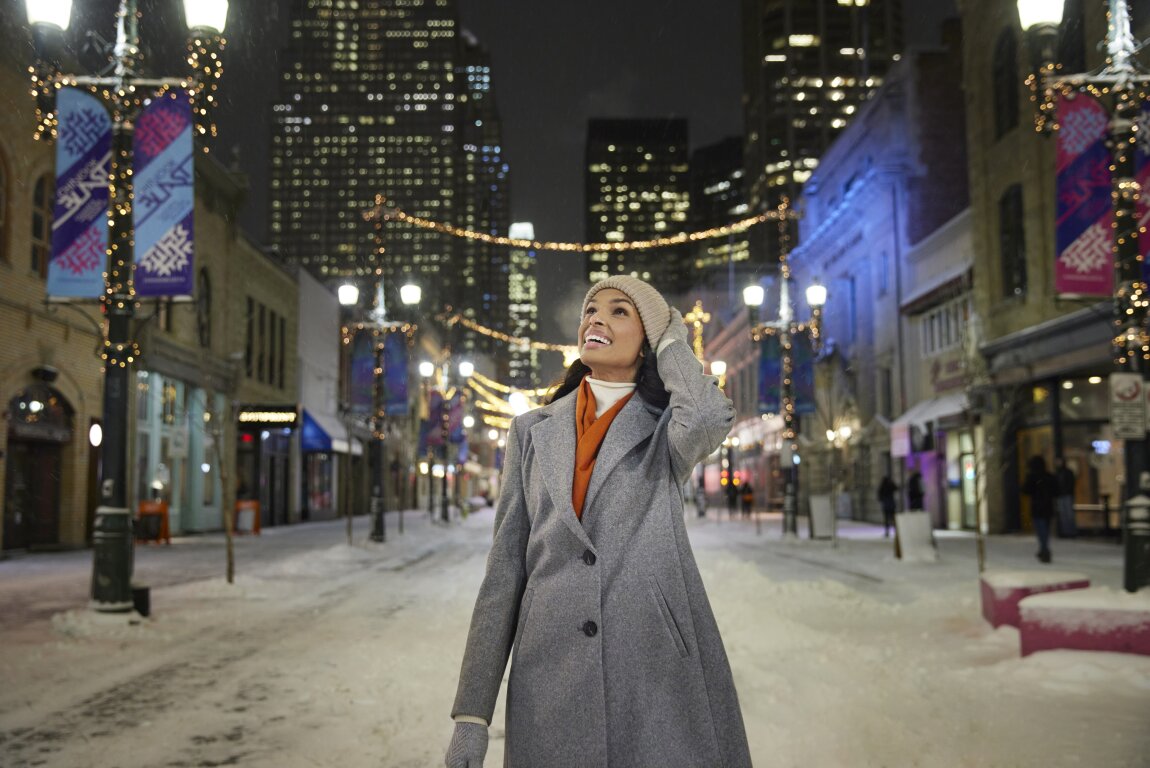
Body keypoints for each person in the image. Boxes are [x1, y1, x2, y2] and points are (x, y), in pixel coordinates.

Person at [445, 276, 751, 768]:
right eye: (590, 310)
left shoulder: (666, 425)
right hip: (549, 669)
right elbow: (504, 572)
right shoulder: (530, 430)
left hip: (652, 661)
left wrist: (672, 339)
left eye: (619, 311)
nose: (596, 318)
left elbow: (710, 418)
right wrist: (472, 713)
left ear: (647, 338)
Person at [1022, 455, 1057, 563]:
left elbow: (1026, 490)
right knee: (1045, 529)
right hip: (1047, 506)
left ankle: (1044, 549)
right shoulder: (1049, 476)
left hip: (1037, 506)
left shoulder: (1033, 477)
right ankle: (1044, 549)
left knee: (1041, 530)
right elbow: (1056, 490)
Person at [1054, 457, 1077, 538]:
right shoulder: (1059, 473)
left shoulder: (1066, 472)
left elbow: (1070, 484)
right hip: (1062, 495)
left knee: (1068, 514)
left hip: (1067, 495)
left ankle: (1070, 532)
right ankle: (1066, 532)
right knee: (1064, 514)